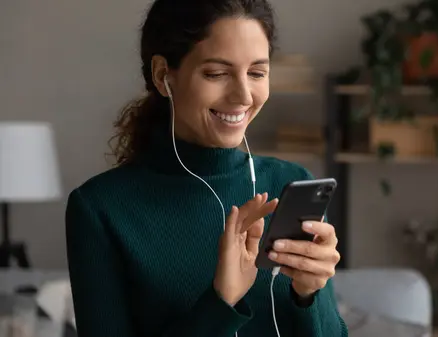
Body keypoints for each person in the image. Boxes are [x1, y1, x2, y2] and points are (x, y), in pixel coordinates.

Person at [65, 0, 348, 336]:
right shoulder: (101, 209)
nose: (243, 95)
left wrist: (309, 294)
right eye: (217, 73)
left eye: (257, 73)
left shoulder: (292, 183)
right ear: (162, 75)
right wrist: (221, 301)